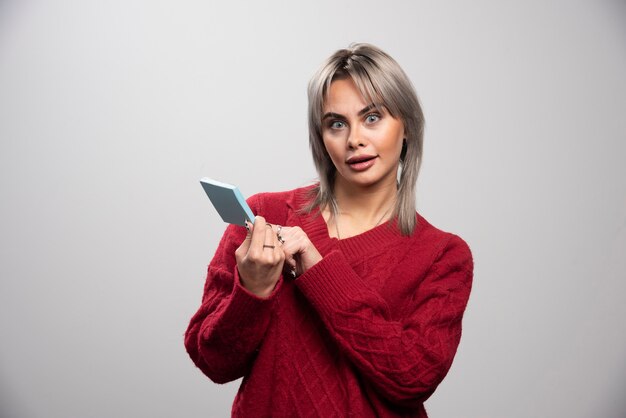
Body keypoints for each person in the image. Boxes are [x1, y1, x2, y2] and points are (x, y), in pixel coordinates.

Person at [184, 43, 473, 417]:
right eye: (336, 123)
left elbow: (412, 378)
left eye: (373, 118)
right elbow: (213, 361)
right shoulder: (263, 215)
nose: (354, 139)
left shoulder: (442, 255)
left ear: (407, 127)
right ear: (321, 137)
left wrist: (318, 270)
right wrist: (252, 289)